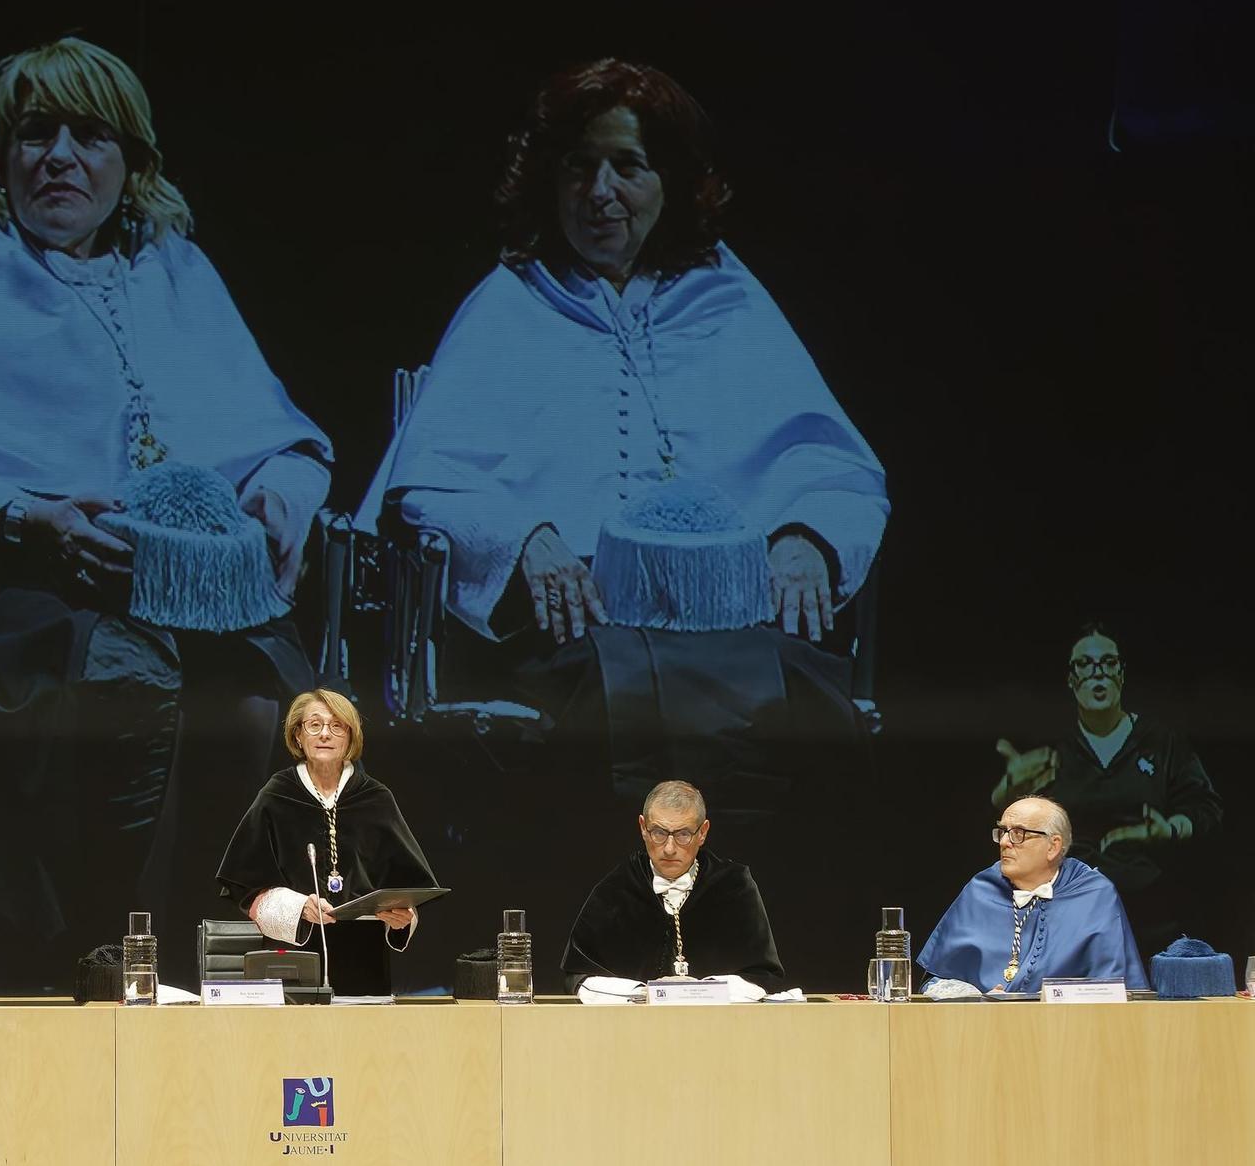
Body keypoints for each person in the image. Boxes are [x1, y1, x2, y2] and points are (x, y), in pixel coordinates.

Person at [0, 38, 332, 972]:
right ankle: (106, 943)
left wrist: (278, 494)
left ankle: (228, 950)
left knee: (265, 701)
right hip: (21, 587)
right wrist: (22, 515)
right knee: (134, 688)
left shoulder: (176, 270)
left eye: (89, 136)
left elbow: (282, 438)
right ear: (0, 157)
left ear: (131, 161)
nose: (59, 156)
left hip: (190, 585)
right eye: (33, 134)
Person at [363, 59, 887, 804]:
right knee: (622, 713)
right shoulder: (508, 304)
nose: (599, 192)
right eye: (579, 166)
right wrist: (526, 537)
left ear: (669, 181)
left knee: (806, 710)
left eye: (628, 166)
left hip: (737, 622)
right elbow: (431, 484)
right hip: (582, 630)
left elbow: (826, 458)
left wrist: (805, 535)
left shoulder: (725, 298)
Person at [990, 622, 1222, 950]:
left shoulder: (1161, 742)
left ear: (1122, 674)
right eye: (1084, 665)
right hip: (1067, 918)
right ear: (1071, 680)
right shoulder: (1052, 748)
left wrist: (1169, 829)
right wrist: (1009, 789)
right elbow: (1011, 823)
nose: (1097, 673)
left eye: (1108, 663)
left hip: (1152, 916)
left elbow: (1206, 807)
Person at [216, 690, 439, 996]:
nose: (325, 735)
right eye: (314, 725)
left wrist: (402, 917)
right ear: (298, 736)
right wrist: (298, 906)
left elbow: (408, 885)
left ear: (350, 738)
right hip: (293, 958)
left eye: (337, 726)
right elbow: (245, 884)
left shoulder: (375, 798)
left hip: (364, 960)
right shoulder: (277, 795)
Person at [559, 780, 787, 994]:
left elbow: (764, 977)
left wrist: (696, 992)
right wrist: (644, 994)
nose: (669, 848)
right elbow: (579, 977)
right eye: (659, 833)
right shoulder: (615, 891)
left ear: (703, 832)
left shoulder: (734, 888)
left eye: (683, 834)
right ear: (643, 828)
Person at [918, 796, 1147, 995]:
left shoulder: (1094, 894)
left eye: (1018, 833)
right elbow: (936, 983)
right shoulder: (981, 889)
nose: (1006, 842)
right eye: (1003, 831)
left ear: (1053, 847)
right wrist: (975, 998)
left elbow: (1116, 989)